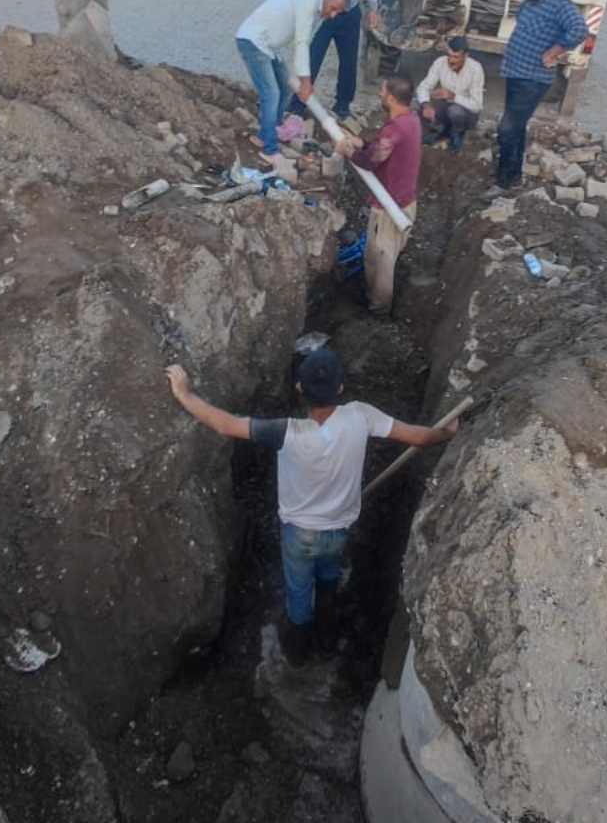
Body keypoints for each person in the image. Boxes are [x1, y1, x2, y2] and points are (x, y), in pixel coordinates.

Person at [164, 351, 456, 661]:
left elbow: (226, 425)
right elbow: (419, 438)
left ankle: (297, 654)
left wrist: (185, 393)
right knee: (328, 581)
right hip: (338, 531)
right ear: (340, 388)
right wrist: (446, 433)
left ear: (300, 389)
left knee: (299, 597)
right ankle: (327, 639)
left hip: (299, 536)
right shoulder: (361, 415)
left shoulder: (287, 432)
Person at [491, 0, 588, 197]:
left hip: (533, 78)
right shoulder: (532, 0)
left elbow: (579, 29)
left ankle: (503, 183)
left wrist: (555, 51)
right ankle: (514, 176)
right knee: (516, 127)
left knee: (507, 128)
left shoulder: (559, 3)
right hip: (516, 72)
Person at [236, 0, 350, 173]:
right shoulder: (308, 2)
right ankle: (269, 149)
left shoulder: (316, 7)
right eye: (333, 9)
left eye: (338, 12)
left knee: (285, 88)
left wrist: (304, 81)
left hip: (269, 47)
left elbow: (300, 41)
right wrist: (305, 82)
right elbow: (302, 44)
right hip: (253, 41)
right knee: (271, 93)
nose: (332, 15)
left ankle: (269, 131)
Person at [336, 75, 423, 317]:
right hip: (403, 202)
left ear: (392, 98)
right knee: (379, 254)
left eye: (382, 92)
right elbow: (381, 148)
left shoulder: (395, 128)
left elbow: (373, 161)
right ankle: (374, 298)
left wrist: (348, 152)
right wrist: (362, 142)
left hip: (390, 208)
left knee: (382, 261)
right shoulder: (411, 119)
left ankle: (379, 309)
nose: (379, 94)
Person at [415, 35, 485, 151]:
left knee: (455, 111)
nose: (451, 60)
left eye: (456, 57)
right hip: (446, 107)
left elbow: (477, 106)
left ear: (466, 56)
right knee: (419, 102)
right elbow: (423, 87)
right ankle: (432, 135)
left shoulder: (475, 69)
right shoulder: (440, 62)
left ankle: (457, 135)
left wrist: (453, 96)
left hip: (466, 115)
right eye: (449, 56)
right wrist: (426, 105)